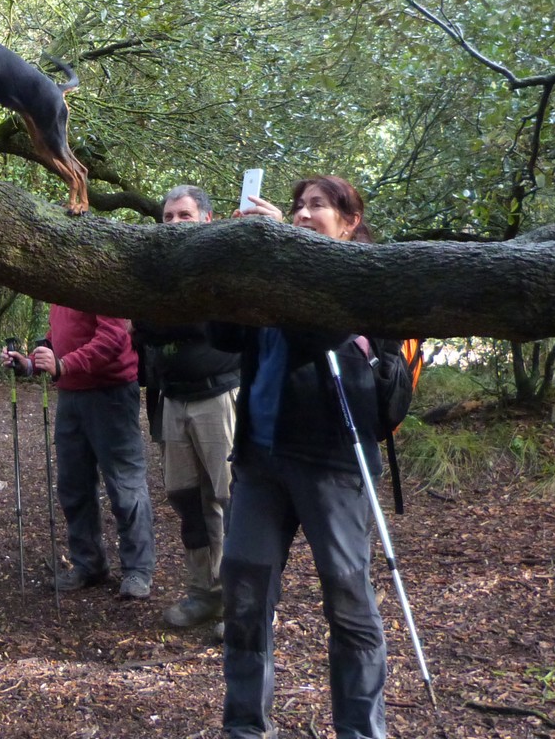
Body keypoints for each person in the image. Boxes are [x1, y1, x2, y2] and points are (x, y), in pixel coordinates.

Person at [215, 175, 407, 739]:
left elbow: (313, 336)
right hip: (260, 460)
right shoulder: (269, 277)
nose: (302, 213)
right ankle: (245, 727)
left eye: (316, 206)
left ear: (349, 222)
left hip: (332, 463)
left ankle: (360, 730)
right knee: (245, 596)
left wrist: (278, 251)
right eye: (298, 205)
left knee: (348, 600)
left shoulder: (361, 279)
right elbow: (220, 335)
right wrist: (235, 258)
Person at [134, 184, 239, 630]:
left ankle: (241, 601)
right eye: (168, 217)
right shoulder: (158, 272)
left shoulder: (224, 266)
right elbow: (142, 329)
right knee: (186, 499)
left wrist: (170, 322)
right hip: (172, 399)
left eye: (184, 215)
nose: (175, 223)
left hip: (218, 396)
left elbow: (211, 326)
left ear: (207, 219)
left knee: (229, 498)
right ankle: (204, 593)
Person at [6, 307, 156, 600]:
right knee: (73, 485)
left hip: (111, 392)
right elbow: (59, 336)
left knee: (125, 483)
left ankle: (138, 570)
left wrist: (63, 365)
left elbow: (113, 337)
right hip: (71, 393)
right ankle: (88, 563)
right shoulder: (61, 291)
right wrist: (31, 363)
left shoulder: (100, 285)